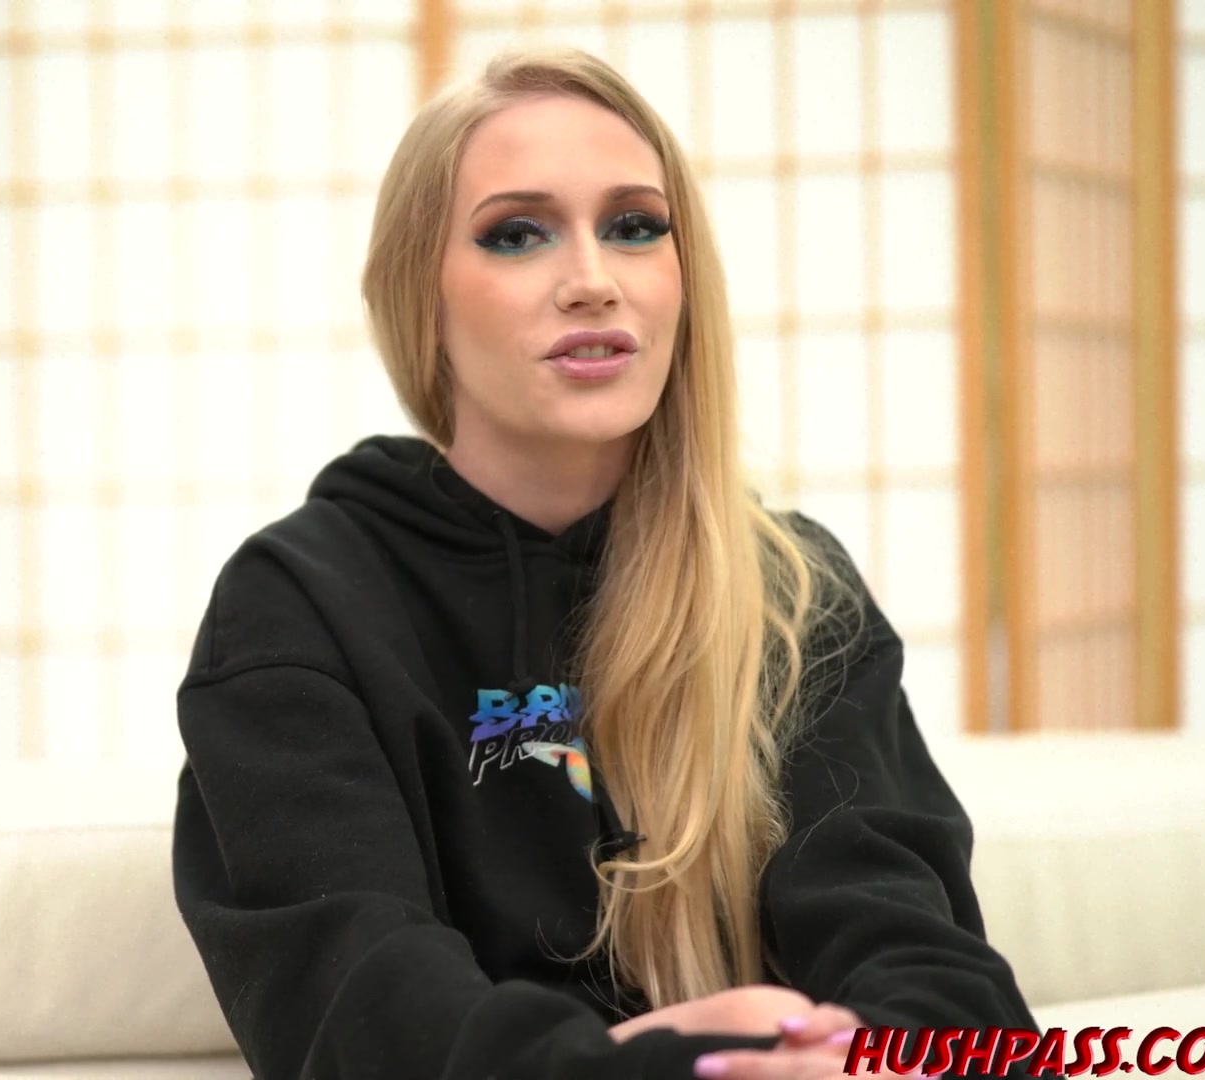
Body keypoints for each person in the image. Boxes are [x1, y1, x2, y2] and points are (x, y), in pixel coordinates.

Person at [170, 46, 1036, 1080]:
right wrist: (669, 1060)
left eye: (634, 226)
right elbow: (362, 1005)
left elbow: (931, 971)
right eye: (516, 234)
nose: (592, 280)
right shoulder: (297, 607)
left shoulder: (793, 593)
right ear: (419, 295)